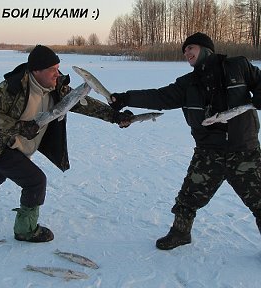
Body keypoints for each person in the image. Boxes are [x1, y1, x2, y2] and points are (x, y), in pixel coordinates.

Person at [109, 32, 261, 250]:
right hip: (208, 152)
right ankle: (180, 233)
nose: (187, 53)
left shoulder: (238, 66)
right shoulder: (188, 84)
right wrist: (126, 97)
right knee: (188, 198)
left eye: (191, 48)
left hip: (244, 149)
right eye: (184, 51)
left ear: (207, 49)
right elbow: (159, 97)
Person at [0, 45, 132, 243]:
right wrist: (19, 126)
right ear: (36, 70)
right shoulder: (12, 88)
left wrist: (115, 116)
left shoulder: (56, 87)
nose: (57, 74)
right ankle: (26, 230)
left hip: (21, 148)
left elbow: (83, 104)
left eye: (58, 67)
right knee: (35, 181)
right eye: (52, 69)